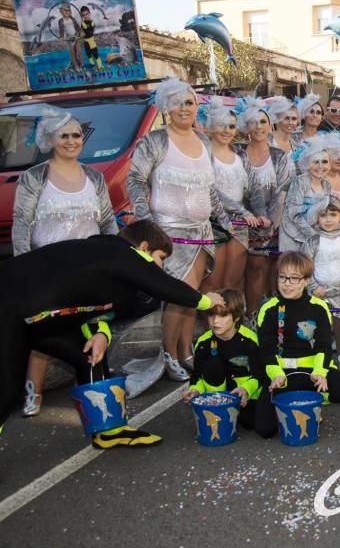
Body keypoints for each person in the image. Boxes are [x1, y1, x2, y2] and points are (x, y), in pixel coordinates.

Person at [0, 220, 224, 439]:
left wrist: (101, 333)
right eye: (161, 258)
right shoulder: (121, 254)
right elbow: (164, 285)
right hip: (10, 311)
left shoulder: (106, 263)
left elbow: (91, 304)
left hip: (38, 322)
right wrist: (206, 301)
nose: (161, 266)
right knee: (8, 390)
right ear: (144, 247)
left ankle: (108, 430)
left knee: (88, 356)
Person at [12, 105, 117, 418]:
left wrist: (114, 257)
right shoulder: (34, 177)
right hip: (49, 270)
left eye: (76, 135)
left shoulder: (95, 177)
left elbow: (109, 222)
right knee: (46, 333)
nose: (72, 140)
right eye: (64, 136)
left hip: (89, 270)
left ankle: (92, 384)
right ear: (49, 139)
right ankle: (34, 391)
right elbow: (21, 224)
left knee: (94, 328)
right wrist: (25, 269)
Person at [128, 78, 232, 381]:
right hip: (170, 237)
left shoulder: (203, 141)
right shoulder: (154, 141)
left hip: (201, 233)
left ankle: (186, 351)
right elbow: (135, 181)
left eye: (189, 102)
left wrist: (225, 221)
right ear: (165, 107)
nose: (184, 108)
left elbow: (210, 189)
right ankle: (169, 354)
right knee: (177, 296)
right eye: (177, 102)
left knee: (193, 296)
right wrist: (147, 224)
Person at [254, 252, 340, 439]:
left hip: (311, 370)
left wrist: (320, 372)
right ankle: (300, 396)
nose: (287, 283)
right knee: (265, 429)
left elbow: (324, 346)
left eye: (294, 278)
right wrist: (276, 375)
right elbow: (266, 350)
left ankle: (310, 396)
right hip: (282, 373)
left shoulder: (318, 307)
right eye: (282, 277)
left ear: (307, 280)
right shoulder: (268, 309)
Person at [202, 98, 264, 295]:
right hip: (213, 224)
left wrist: (261, 212)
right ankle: (209, 323)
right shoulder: (203, 154)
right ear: (210, 126)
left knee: (233, 281)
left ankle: (231, 321)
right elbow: (209, 189)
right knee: (213, 281)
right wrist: (242, 211)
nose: (227, 130)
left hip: (240, 224)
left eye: (231, 126)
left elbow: (255, 187)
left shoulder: (240, 154)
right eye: (221, 125)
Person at [182, 288, 266, 435]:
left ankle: (235, 411)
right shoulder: (203, 342)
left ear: (236, 317)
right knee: (213, 363)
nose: (215, 321)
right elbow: (197, 375)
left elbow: (260, 375)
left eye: (223, 316)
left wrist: (246, 389)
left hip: (244, 395)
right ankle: (219, 407)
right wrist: (195, 390)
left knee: (255, 425)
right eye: (211, 315)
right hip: (220, 394)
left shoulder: (250, 341)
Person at [240, 99, 292, 317]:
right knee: (252, 270)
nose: (259, 126)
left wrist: (269, 223)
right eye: (254, 122)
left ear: (270, 126)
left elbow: (282, 191)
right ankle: (251, 315)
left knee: (273, 269)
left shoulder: (278, 156)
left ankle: (271, 315)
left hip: (274, 224)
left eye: (263, 121)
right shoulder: (237, 153)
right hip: (244, 224)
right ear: (246, 127)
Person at [304, 199, 340, 374]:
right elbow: (305, 267)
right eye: (323, 215)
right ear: (317, 217)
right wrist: (313, 287)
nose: (328, 219)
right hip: (318, 293)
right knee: (316, 327)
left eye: (333, 215)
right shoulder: (313, 241)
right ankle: (317, 360)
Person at [280, 135, 333, 252]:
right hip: (293, 235)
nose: (320, 166)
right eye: (316, 162)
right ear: (307, 164)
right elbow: (293, 213)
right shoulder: (300, 182)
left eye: (324, 162)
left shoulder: (327, 185)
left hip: (314, 234)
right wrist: (313, 235)